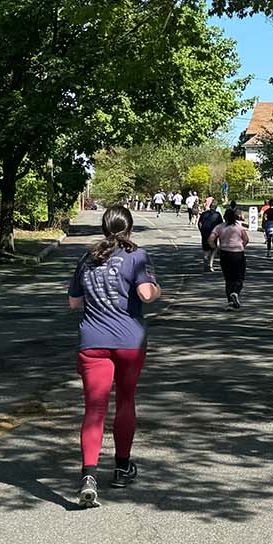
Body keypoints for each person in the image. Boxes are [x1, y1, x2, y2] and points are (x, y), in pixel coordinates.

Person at [67, 206, 161, 509]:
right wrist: (156, 289)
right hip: (129, 342)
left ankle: (89, 476)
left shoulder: (87, 258)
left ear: (104, 228)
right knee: (125, 401)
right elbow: (146, 294)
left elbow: (74, 302)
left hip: (93, 341)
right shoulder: (137, 256)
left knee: (94, 409)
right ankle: (122, 468)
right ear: (129, 228)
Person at [212, 203, 250, 309]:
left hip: (225, 253)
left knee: (228, 278)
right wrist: (241, 246)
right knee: (239, 276)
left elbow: (210, 239)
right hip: (238, 253)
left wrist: (216, 249)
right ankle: (235, 293)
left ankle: (230, 301)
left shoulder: (219, 227)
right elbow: (246, 239)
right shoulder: (239, 227)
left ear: (224, 217)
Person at [197, 197, 224, 272]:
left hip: (205, 232)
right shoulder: (218, 215)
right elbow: (221, 225)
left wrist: (201, 230)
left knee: (206, 248)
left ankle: (205, 258)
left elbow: (199, 223)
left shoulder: (204, 214)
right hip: (213, 233)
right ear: (216, 207)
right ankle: (210, 265)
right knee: (214, 248)